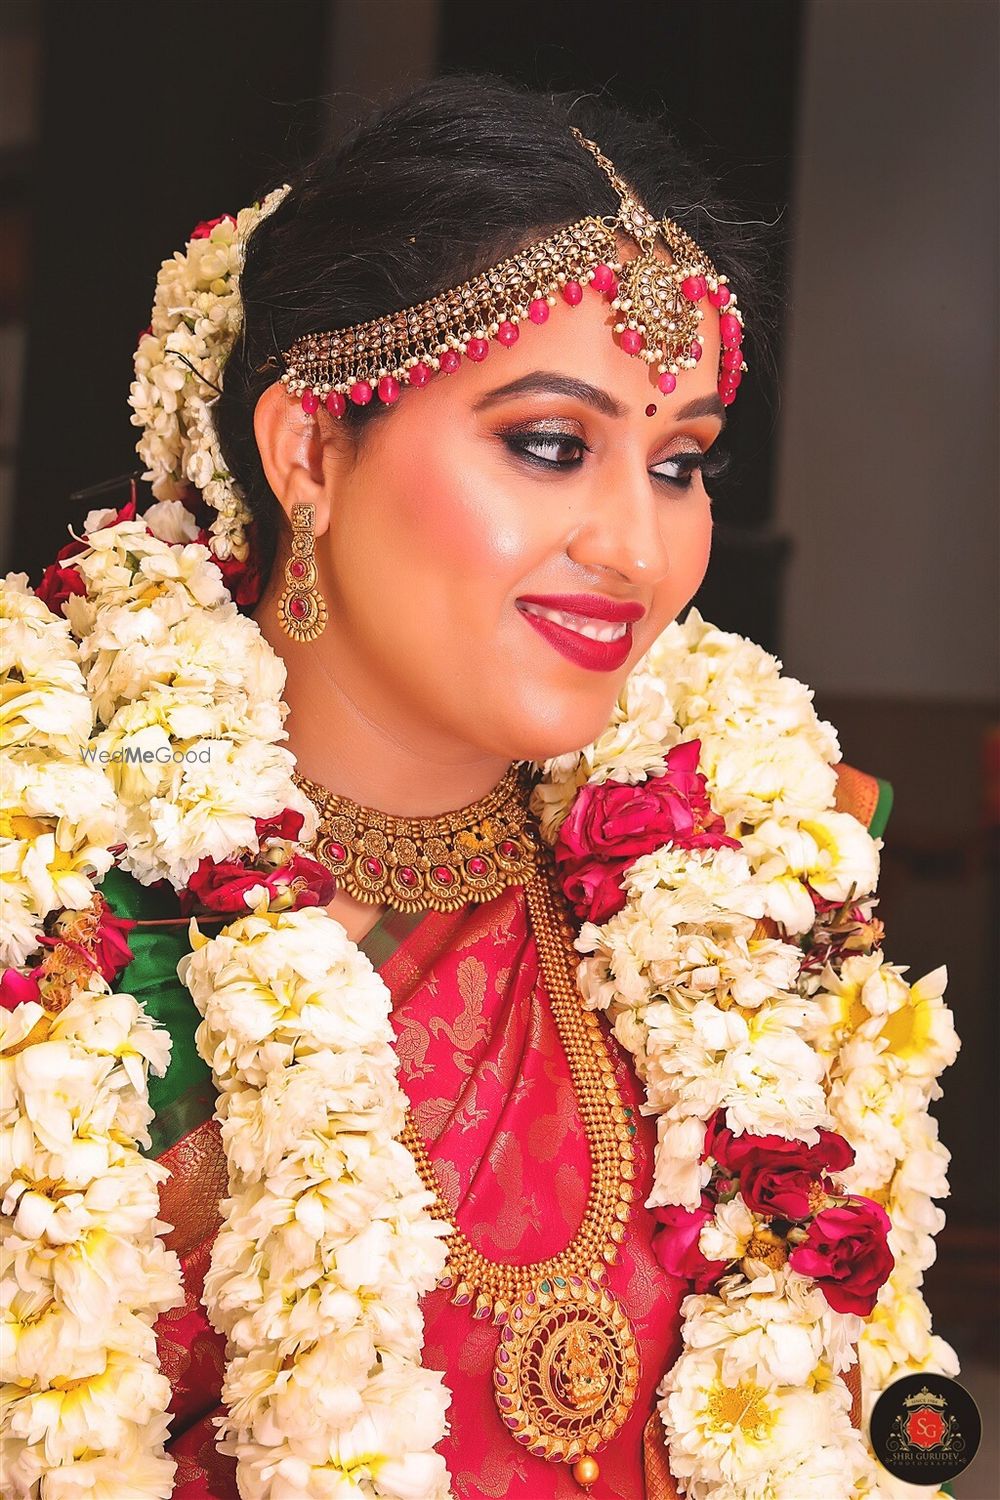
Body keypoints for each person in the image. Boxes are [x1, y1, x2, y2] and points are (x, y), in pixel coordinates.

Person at [6, 72, 957, 1500]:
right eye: (552, 445)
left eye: (682, 460)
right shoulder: (67, 911)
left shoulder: (746, 887)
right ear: (309, 449)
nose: (640, 552)